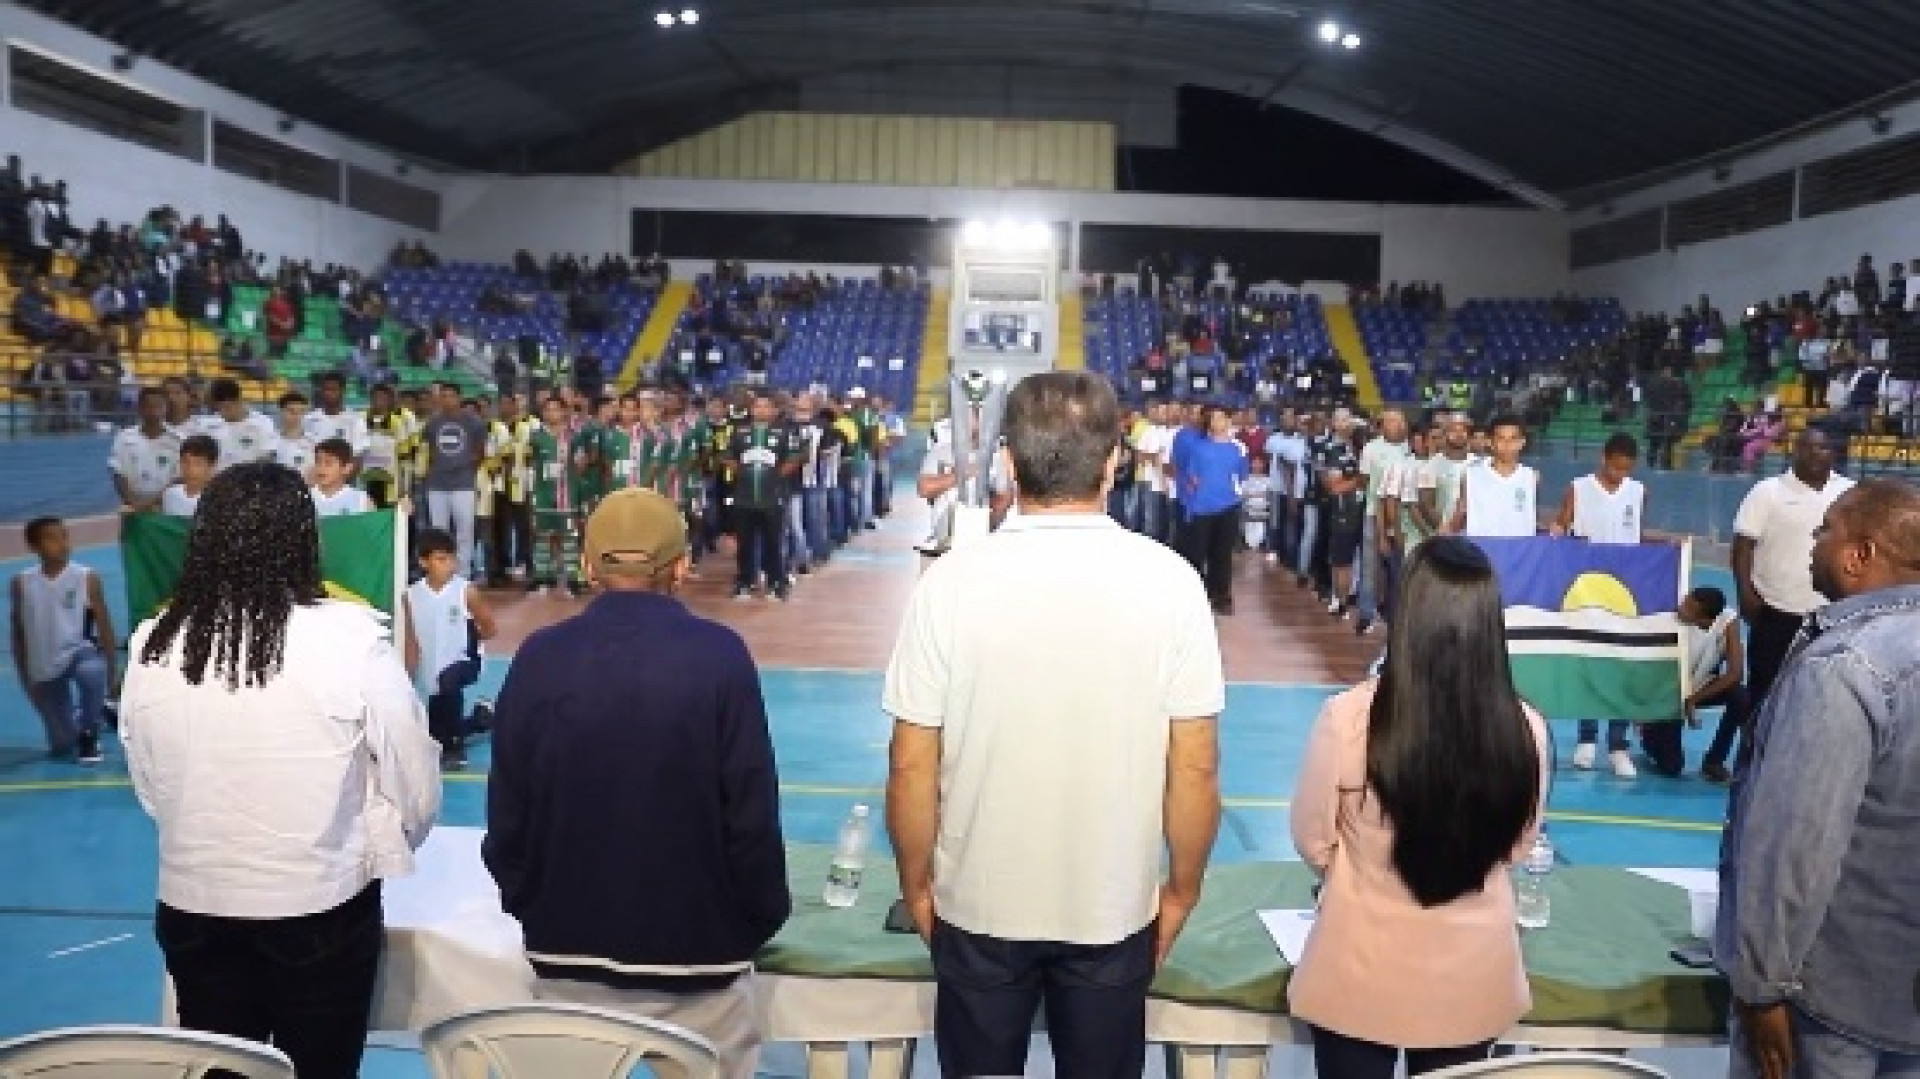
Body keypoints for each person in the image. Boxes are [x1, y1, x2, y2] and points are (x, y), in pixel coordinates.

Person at [884, 371, 1225, 1078]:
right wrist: (1182, 890)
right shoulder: (1170, 582)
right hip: (1111, 909)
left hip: (977, 904)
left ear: (1007, 460)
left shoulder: (949, 581)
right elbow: (1193, 767)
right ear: (1113, 463)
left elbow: (912, 764)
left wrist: (917, 886)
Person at [120, 463, 442, 1079]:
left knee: (221, 1066)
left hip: (194, 902)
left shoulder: (154, 641)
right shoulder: (349, 638)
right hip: (318, 905)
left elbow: (151, 783)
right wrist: (385, 838)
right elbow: (413, 775)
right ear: (304, 542)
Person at [483, 488, 789, 1079]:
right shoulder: (720, 656)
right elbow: (750, 814)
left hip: (564, 951)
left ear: (589, 565)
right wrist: (755, 920)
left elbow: (508, 812)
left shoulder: (539, 657)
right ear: (680, 567)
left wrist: (530, 903)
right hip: (700, 958)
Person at [1289, 537, 1550, 1079]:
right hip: (1474, 980)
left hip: (1359, 973)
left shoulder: (1348, 719)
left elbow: (1313, 839)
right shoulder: (1527, 729)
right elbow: (1519, 844)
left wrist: (1361, 878)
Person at [1717, 479, 1920, 1079]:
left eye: (1825, 530)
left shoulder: (1844, 669)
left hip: (1826, 1002)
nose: (1813, 542)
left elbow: (1796, 846)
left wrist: (1761, 983)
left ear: (1859, 556)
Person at [1731, 426, 1854, 707]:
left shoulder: (1848, 492)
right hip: (1776, 609)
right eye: (1808, 447)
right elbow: (1743, 546)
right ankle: (1753, 748)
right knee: (1764, 690)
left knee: (1820, 694)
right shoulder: (1767, 492)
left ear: (1832, 453)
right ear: (1795, 451)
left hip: (1830, 613)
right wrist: (1746, 594)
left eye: (1822, 448)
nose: (1815, 454)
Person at [1554, 432, 1648, 778]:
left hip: (1622, 591)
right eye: (1614, 467)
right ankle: (1587, 739)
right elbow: (1561, 528)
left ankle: (1619, 745)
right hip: (1587, 589)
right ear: (1603, 458)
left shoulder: (1638, 493)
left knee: (1622, 665)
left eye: (1625, 469)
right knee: (1590, 662)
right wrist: (1557, 532)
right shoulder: (1578, 488)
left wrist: (1669, 545)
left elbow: (1636, 538)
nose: (1619, 475)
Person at [13, 517, 115, 764]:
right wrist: (26, 678)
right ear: (34, 546)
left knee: (92, 671)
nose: (62, 543)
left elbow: (104, 624)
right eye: (52, 538)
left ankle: (89, 731)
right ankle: (100, 711)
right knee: (62, 745)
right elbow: (18, 631)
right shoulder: (22, 583)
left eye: (64, 536)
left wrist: (112, 669)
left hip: (79, 653)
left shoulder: (86, 578)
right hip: (44, 665)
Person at [404, 528, 497, 770]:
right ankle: (480, 721)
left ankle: (456, 747)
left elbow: (489, 627)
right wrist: (408, 676)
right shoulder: (411, 596)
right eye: (440, 559)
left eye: (451, 558)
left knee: (449, 680)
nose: (449, 565)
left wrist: (472, 645)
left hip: (465, 662)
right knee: (435, 735)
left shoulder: (465, 591)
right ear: (423, 562)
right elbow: (412, 640)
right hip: (430, 671)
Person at [1654, 586, 1749, 784]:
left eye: (1688, 608)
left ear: (1704, 620)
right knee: (1671, 767)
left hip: (1699, 687)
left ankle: (1714, 761)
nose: (1681, 608)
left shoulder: (1727, 620)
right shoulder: (1670, 620)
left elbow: (1735, 673)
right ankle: (1649, 732)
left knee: (1740, 696)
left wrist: (1693, 700)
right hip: (1668, 692)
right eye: (1685, 602)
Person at [1172, 404, 1250, 615]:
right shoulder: (1197, 448)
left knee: (1222, 554)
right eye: (1212, 418)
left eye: (1220, 418)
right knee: (1196, 554)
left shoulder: (1238, 448)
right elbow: (1190, 477)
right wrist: (1190, 502)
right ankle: (1197, 596)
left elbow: (1242, 475)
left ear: (1228, 421)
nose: (1216, 422)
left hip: (1228, 507)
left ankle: (1222, 595)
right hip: (1201, 508)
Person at [726, 389, 803, 601]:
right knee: (745, 542)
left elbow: (794, 459)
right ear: (751, 410)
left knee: (774, 542)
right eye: (757, 406)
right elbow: (729, 457)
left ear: (775, 410)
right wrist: (743, 473)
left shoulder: (785, 433)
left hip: (773, 496)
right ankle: (744, 581)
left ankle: (776, 582)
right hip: (744, 497)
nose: (761, 410)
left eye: (766, 406)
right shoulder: (739, 432)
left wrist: (774, 476)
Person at [422, 381, 489, 577]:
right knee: (438, 531)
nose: (447, 400)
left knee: (465, 530)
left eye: (451, 396)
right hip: (437, 483)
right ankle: (439, 571)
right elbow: (429, 449)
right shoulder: (433, 422)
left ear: (459, 398)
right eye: (444, 396)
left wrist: (464, 466)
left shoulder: (474, 422)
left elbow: (481, 451)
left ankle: (463, 573)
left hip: (463, 483)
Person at [1355, 409, 1409, 634]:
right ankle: (1366, 613)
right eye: (1391, 421)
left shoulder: (1410, 448)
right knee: (1370, 565)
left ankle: (1393, 611)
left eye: (1399, 420)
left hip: (1403, 516)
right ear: (1382, 425)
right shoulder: (1371, 449)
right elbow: (1364, 480)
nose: (1396, 425)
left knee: (1398, 566)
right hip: (1374, 512)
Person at [528, 395, 587, 596]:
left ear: (564, 412)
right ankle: (542, 578)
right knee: (542, 538)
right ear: (543, 413)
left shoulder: (574, 436)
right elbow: (531, 465)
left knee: (569, 538)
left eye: (556, 409)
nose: (552, 413)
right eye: (548, 410)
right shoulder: (535, 436)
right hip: (543, 495)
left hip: (567, 496)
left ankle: (572, 580)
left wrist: (576, 466)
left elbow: (581, 464)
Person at [1449, 416, 1538, 537]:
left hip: (1518, 552)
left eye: (1513, 439)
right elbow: (1460, 512)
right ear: (1490, 442)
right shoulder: (1471, 475)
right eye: (1501, 439)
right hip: (1481, 551)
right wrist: (1447, 533)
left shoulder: (1532, 477)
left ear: (1522, 442)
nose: (1507, 445)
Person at [110, 386, 180, 513]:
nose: (153, 411)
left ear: (166, 408)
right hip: (133, 506)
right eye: (148, 406)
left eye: (158, 406)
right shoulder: (124, 437)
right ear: (140, 408)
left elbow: (179, 478)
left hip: (168, 506)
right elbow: (118, 473)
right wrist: (132, 501)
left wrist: (149, 503)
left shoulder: (178, 440)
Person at [310, 438, 373, 518]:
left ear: (347, 468)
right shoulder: (304, 498)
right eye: (318, 461)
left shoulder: (362, 500)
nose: (321, 467)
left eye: (328, 463)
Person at [161, 435, 219, 518]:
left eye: (197, 463)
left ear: (211, 466)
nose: (190, 469)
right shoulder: (170, 494)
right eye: (185, 461)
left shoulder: (218, 502)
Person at [271, 391, 317, 480]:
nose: (296, 416)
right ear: (281, 411)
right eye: (291, 411)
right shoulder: (270, 441)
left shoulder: (315, 442)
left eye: (301, 411)